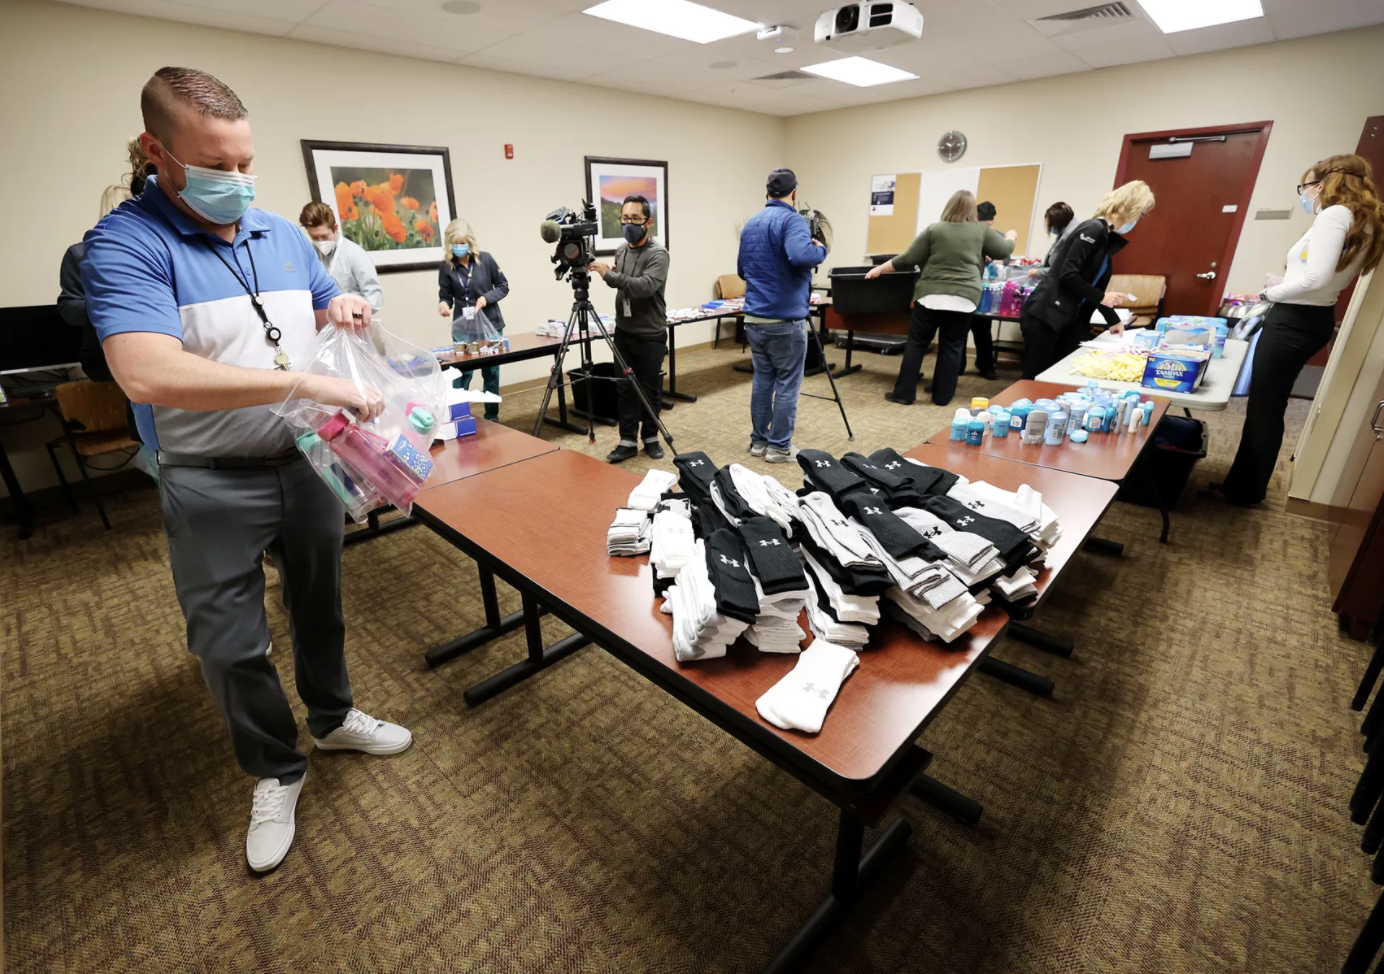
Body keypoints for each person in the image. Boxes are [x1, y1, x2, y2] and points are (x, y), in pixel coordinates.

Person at [82, 66, 411, 874]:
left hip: (305, 463)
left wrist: (342, 309)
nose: (238, 180)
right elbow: (147, 373)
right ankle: (275, 767)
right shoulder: (125, 245)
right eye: (217, 165)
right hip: (208, 474)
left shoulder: (284, 234)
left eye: (245, 162)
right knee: (229, 646)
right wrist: (303, 380)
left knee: (320, 605)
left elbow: (327, 298)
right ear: (159, 152)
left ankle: (332, 717)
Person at [1210, 155, 1384, 507]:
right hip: (1311, 318)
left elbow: (1316, 278)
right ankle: (1244, 485)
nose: (1304, 194)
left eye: (1305, 186)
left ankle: (1244, 491)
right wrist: (1285, 282)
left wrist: (1269, 293)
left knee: (1264, 408)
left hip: (1293, 321)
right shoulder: (1362, 219)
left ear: (1323, 184)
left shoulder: (1335, 215)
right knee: (1268, 406)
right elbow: (1325, 277)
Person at [866, 190, 1016, 406]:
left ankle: (904, 393)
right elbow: (1004, 251)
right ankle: (942, 396)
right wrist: (1011, 236)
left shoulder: (934, 229)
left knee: (916, 344)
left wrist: (880, 268)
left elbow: (909, 258)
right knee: (952, 346)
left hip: (930, 296)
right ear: (972, 210)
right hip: (964, 298)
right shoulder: (981, 230)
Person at [1020, 181, 1156, 379]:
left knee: (1064, 376)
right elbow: (1069, 274)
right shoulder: (1093, 229)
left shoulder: (1106, 238)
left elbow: (1095, 286)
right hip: (1047, 315)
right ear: (1129, 209)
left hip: (1071, 317)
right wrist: (1102, 297)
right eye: (1140, 213)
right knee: (1037, 377)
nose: (1139, 220)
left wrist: (1113, 320)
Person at [736, 168, 827, 463]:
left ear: (766, 194)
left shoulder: (751, 224)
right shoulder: (793, 221)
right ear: (794, 194)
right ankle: (778, 448)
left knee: (763, 380)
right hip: (785, 321)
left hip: (754, 319)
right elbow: (801, 257)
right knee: (788, 384)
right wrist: (821, 250)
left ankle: (759, 443)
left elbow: (742, 271)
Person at [57, 139, 155, 383]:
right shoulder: (80, 254)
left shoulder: (155, 251)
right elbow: (69, 306)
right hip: (103, 352)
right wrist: (112, 305)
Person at [589, 194, 670, 463]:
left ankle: (650, 438)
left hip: (650, 333)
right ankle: (626, 442)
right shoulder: (622, 250)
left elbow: (644, 287)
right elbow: (626, 282)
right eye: (625, 218)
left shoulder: (659, 254)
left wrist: (609, 275)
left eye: (635, 219)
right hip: (624, 331)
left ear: (648, 222)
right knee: (624, 388)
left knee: (649, 389)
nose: (629, 224)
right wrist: (612, 272)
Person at [437, 218, 508, 422]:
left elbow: (503, 286)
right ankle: (460, 417)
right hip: (463, 329)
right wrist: (443, 304)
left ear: (470, 242)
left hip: (490, 326)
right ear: (449, 244)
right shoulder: (446, 267)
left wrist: (487, 298)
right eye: (456, 243)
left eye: (463, 243)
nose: (460, 247)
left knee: (491, 374)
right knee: (462, 375)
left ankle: (492, 417)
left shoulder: (485, 260)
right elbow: (445, 295)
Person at [299, 201, 383, 313]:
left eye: (325, 236)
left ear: (335, 228)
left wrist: (352, 315)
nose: (320, 242)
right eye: (314, 237)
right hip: (323, 325)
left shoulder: (355, 254)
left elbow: (374, 298)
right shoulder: (311, 255)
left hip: (353, 325)